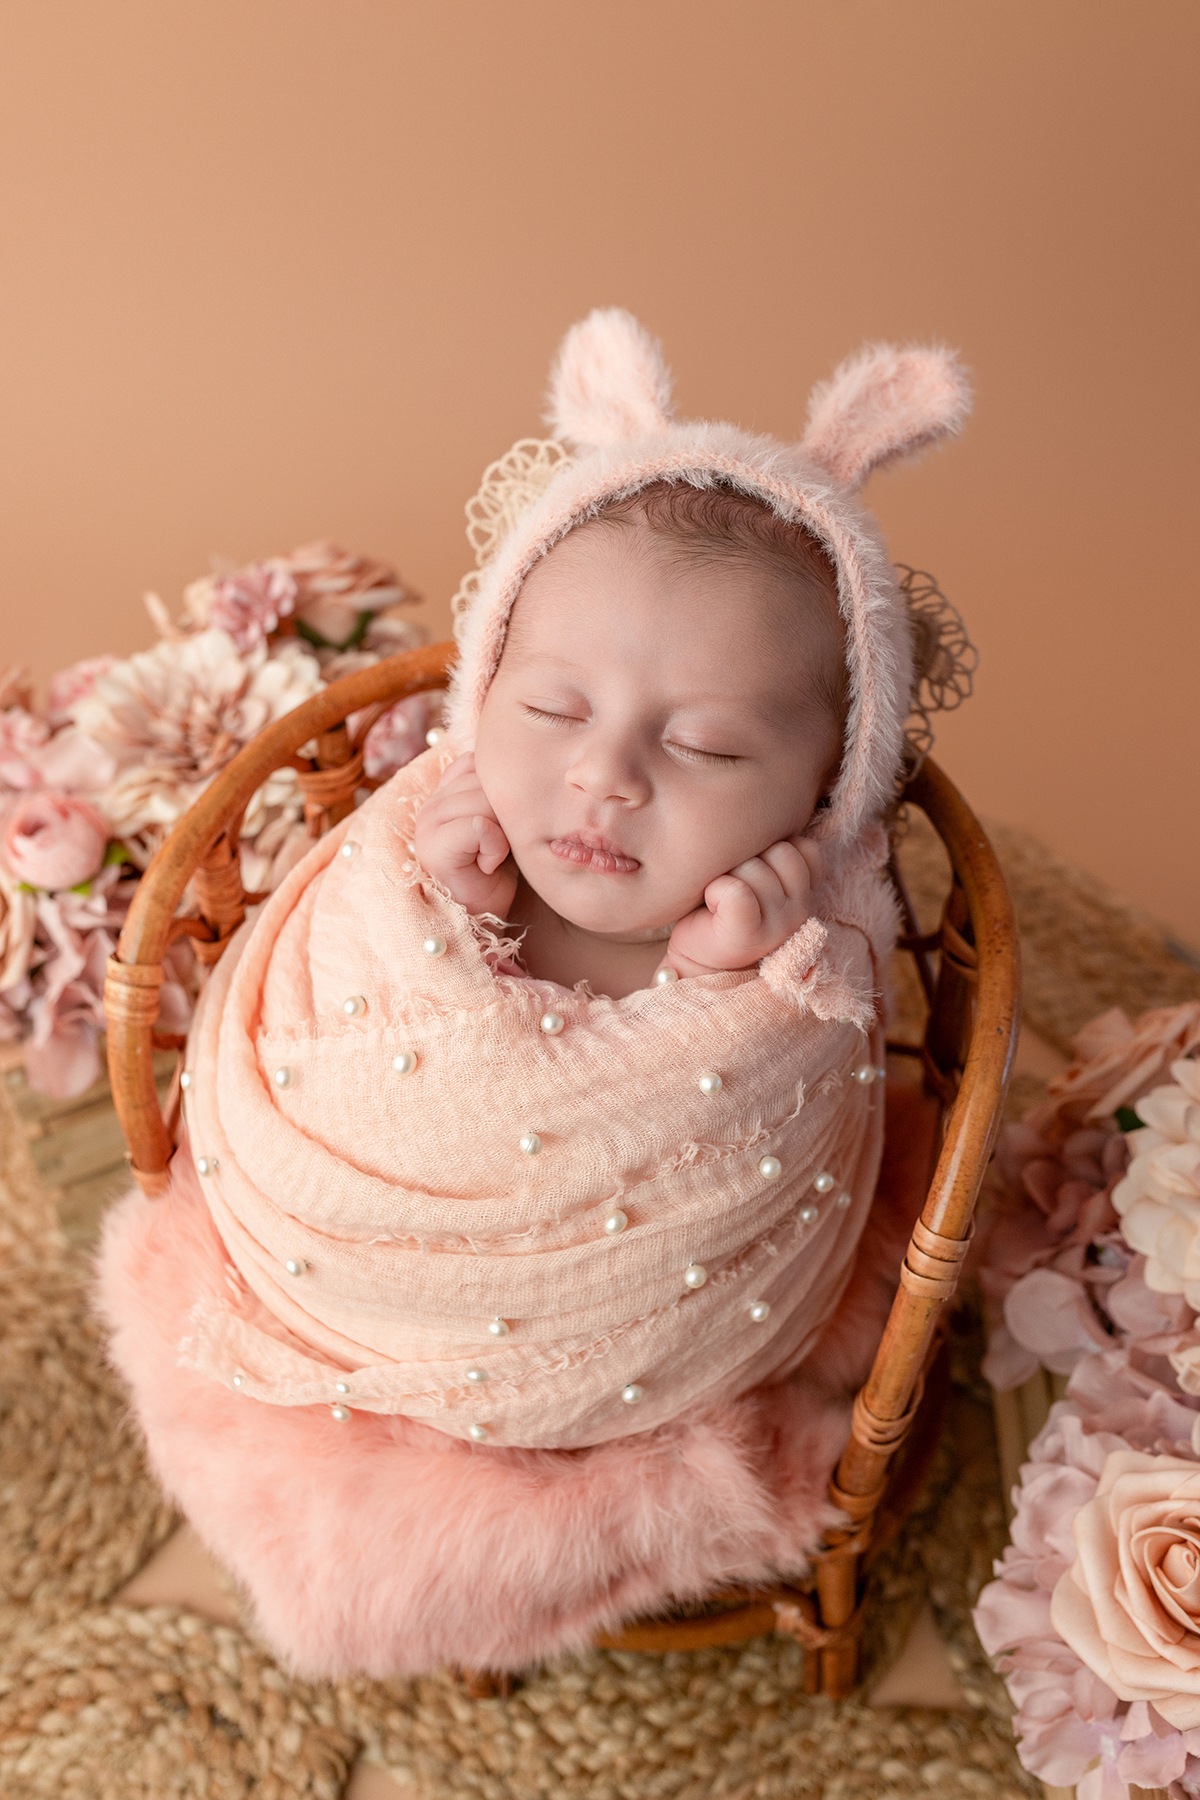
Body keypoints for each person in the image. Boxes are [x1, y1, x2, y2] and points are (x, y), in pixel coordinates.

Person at [99, 310, 971, 1677]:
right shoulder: (431, 846)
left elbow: (783, 1107)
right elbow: (327, 985)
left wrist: (731, 988)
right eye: (553, 709)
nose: (605, 776)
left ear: (827, 788)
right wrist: (436, 906)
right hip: (341, 1272)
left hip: (639, 1344)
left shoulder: (789, 947)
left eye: (700, 743)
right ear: (486, 684)